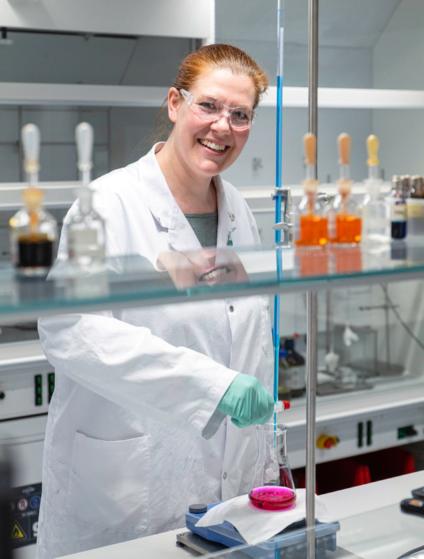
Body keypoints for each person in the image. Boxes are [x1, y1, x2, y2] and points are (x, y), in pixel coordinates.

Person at [37, 43, 275, 559]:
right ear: (174, 103)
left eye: (240, 115)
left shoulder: (238, 209)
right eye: (208, 106)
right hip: (126, 487)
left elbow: (245, 332)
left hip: (228, 487)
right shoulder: (109, 203)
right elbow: (69, 328)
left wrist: (262, 455)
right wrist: (213, 387)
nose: (222, 126)